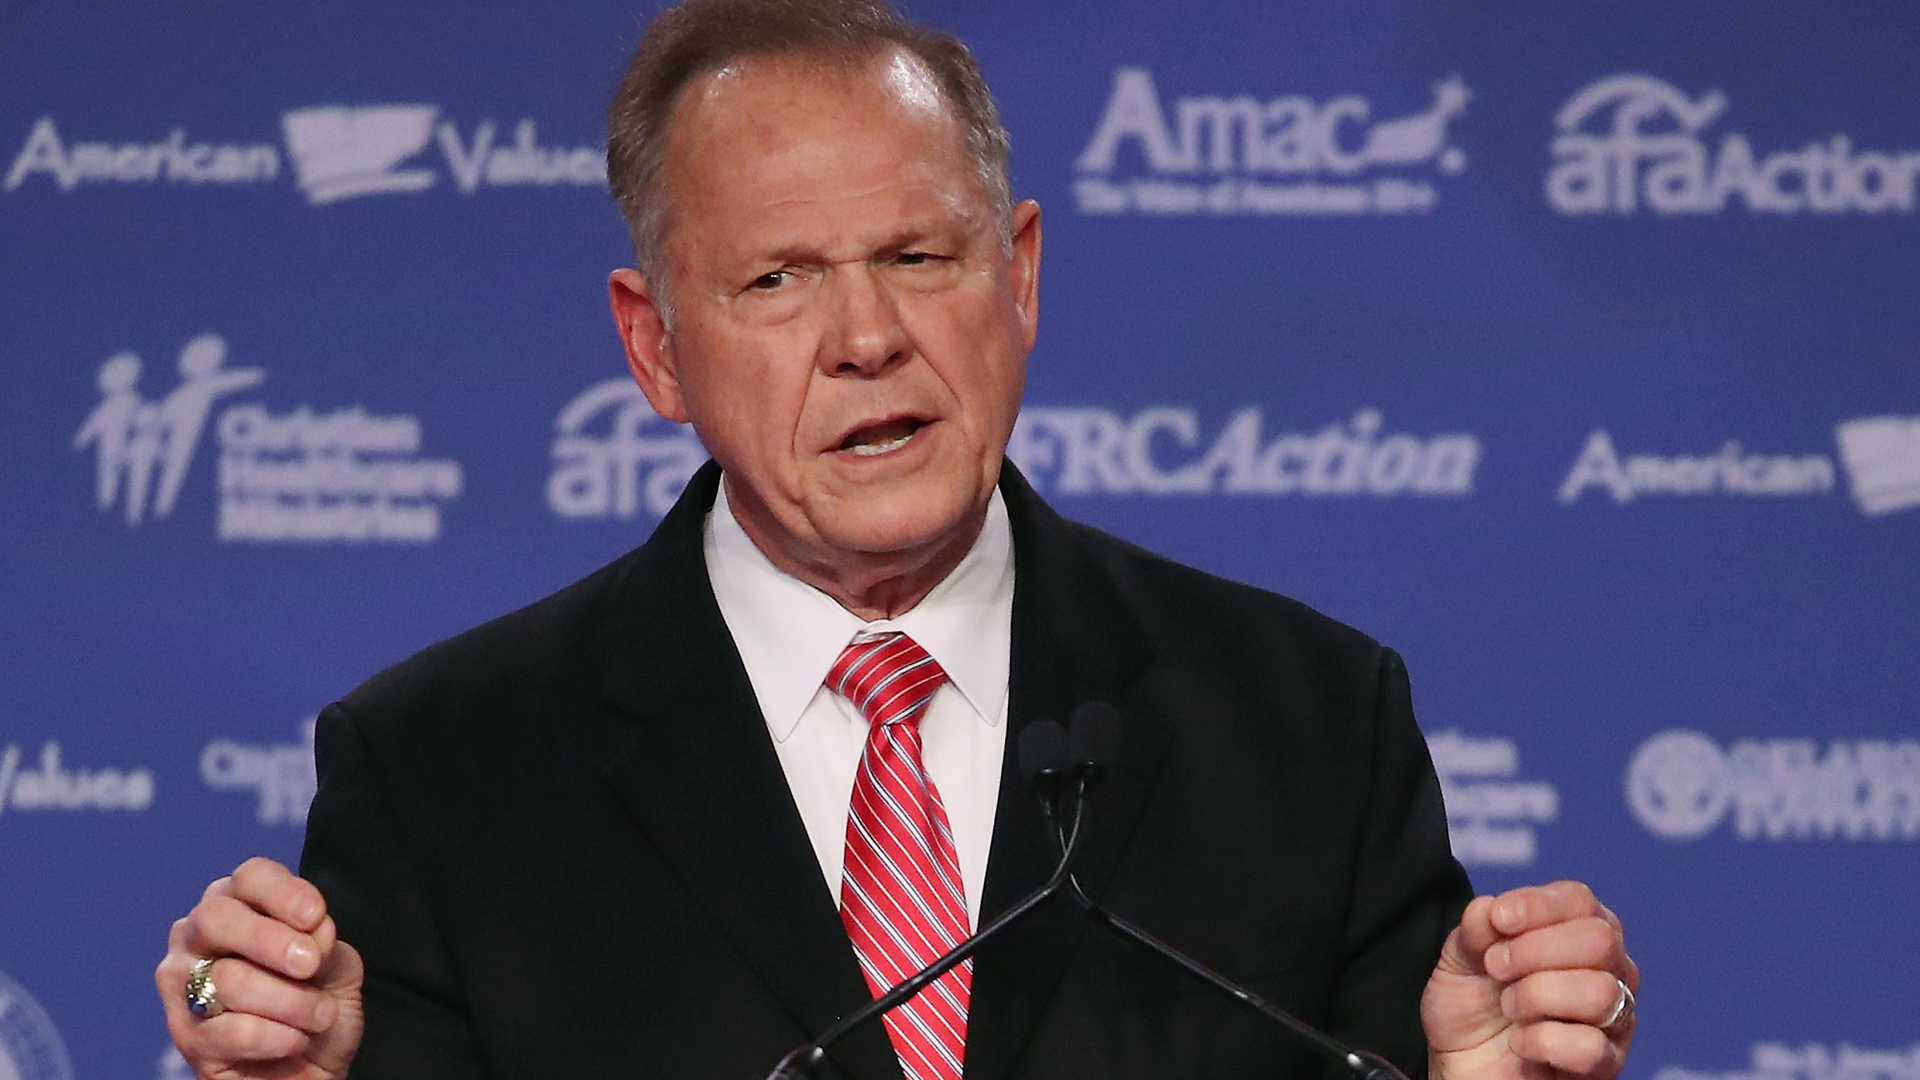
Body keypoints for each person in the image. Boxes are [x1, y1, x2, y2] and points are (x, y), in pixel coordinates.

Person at [155, 1, 1639, 1078]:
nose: (869, 338)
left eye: (921, 258)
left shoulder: (1309, 722)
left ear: (1022, 280)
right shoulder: (443, 773)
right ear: (655, 350)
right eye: (780, 280)